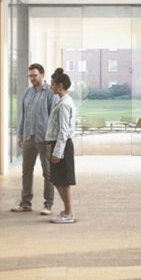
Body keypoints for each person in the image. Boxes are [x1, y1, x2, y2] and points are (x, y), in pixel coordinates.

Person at [11, 63, 55, 213]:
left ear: (42, 74)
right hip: (29, 137)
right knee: (26, 171)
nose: (32, 78)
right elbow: (23, 115)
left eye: (34, 75)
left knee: (47, 173)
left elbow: (53, 119)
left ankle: (48, 204)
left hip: (44, 139)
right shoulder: (27, 93)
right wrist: (20, 134)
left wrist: (51, 140)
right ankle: (25, 203)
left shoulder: (50, 93)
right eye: (30, 76)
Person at [47, 72, 77, 224]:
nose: (50, 86)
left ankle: (68, 213)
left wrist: (57, 152)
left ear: (59, 87)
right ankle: (67, 211)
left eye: (52, 84)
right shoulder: (64, 100)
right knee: (59, 180)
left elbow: (63, 130)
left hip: (62, 146)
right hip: (60, 144)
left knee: (62, 181)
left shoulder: (64, 104)